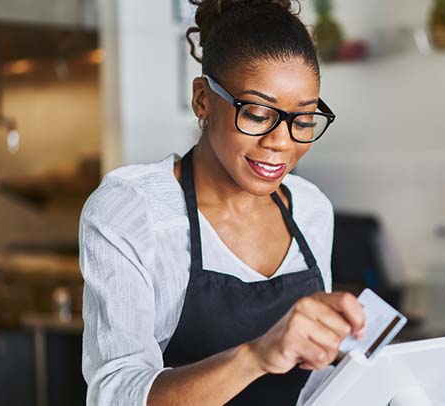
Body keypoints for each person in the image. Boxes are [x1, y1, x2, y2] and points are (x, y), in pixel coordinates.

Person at [79, 1, 366, 404]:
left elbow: (307, 386)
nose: (280, 143)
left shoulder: (311, 209)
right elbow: (115, 395)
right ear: (202, 99)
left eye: (302, 120)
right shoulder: (133, 209)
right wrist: (257, 355)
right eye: (256, 113)